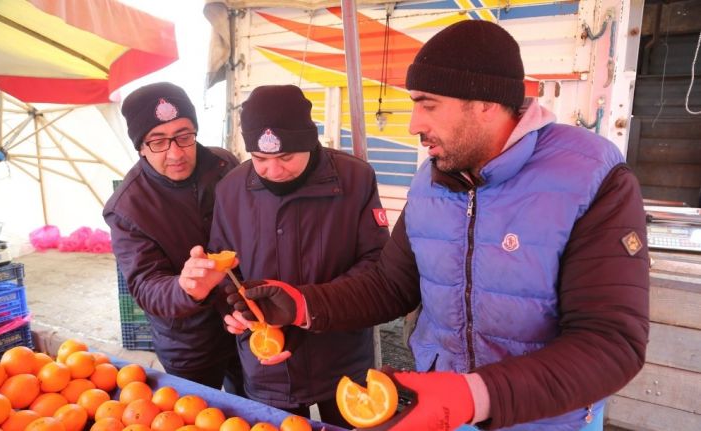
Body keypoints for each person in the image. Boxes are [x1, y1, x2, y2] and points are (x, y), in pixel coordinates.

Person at [225, 21, 651, 430]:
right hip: (442, 409)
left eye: (427, 104)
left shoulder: (592, 178)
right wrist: (302, 305)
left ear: (485, 102)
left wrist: (474, 395)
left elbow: (611, 343)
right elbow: (390, 285)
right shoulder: (432, 180)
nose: (414, 126)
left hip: (548, 419)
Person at [189, 84, 389, 427]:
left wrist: (305, 309)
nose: (274, 170)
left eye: (286, 157)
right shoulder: (231, 189)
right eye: (261, 159)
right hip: (268, 362)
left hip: (341, 353)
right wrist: (233, 312)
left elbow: (376, 265)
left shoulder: (355, 178)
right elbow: (227, 270)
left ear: (311, 142)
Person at [103, 82, 243, 392]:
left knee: (251, 415)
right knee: (194, 417)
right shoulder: (127, 208)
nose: (176, 152)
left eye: (184, 136)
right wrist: (186, 287)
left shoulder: (225, 166)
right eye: (158, 141)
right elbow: (145, 285)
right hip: (189, 342)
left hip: (244, 321)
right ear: (140, 146)